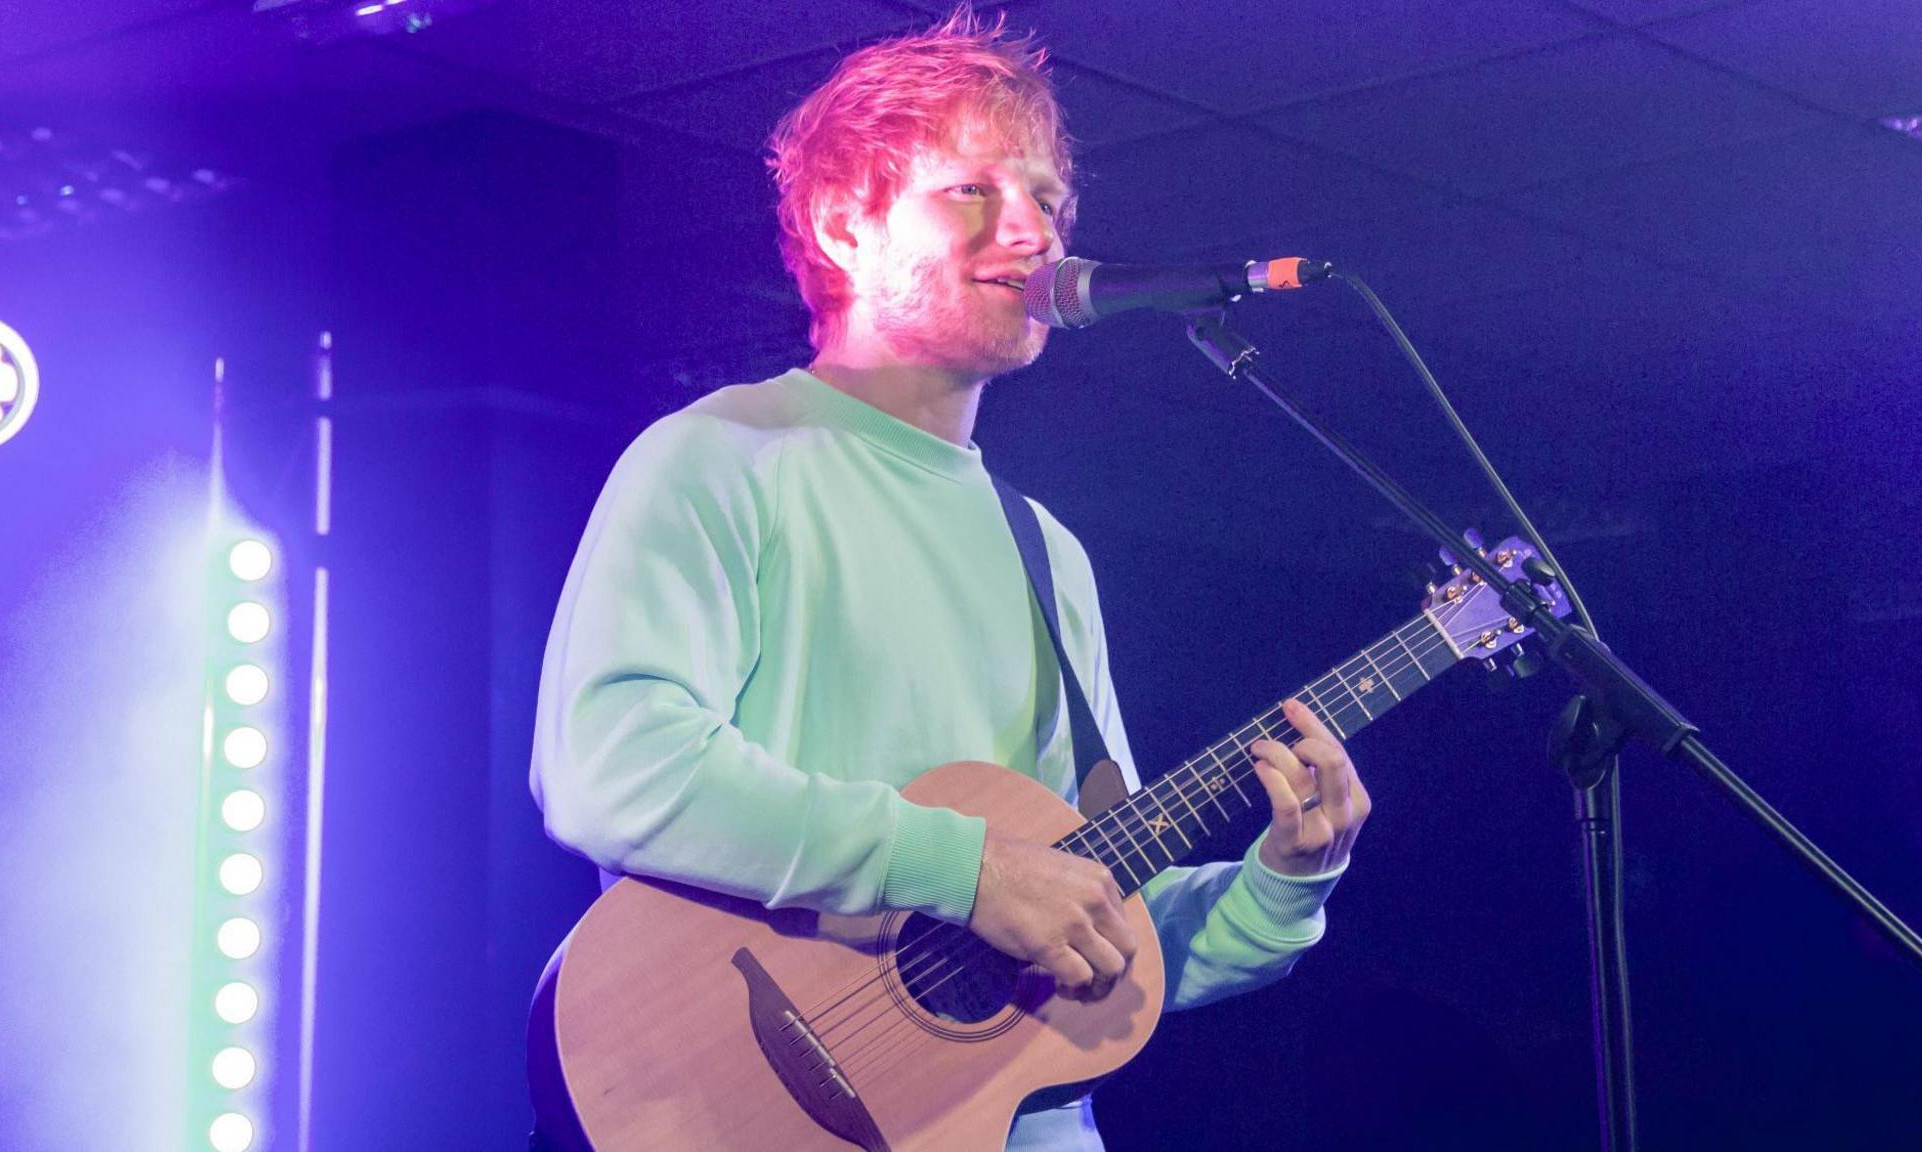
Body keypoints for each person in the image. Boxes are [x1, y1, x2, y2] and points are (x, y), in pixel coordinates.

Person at [529, 10, 1371, 1150]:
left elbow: (1083, 922)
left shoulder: (1047, 552)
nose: (1029, 231)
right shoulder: (726, 456)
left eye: (1046, 201)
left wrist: (1281, 883)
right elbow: (610, 767)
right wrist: (962, 868)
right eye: (972, 190)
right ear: (844, 224)